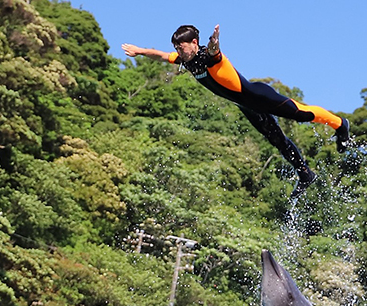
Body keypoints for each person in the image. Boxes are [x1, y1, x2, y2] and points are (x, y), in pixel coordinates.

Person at [122, 25, 350, 199]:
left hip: (258, 96)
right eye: (176, 49)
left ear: (193, 43)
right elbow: (160, 55)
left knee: (301, 114)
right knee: (277, 140)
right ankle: (304, 174)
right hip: (247, 106)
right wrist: (139, 51)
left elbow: (214, 51)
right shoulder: (186, 60)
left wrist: (214, 41)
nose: (177, 52)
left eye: (180, 47)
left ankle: (340, 124)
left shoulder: (207, 56)